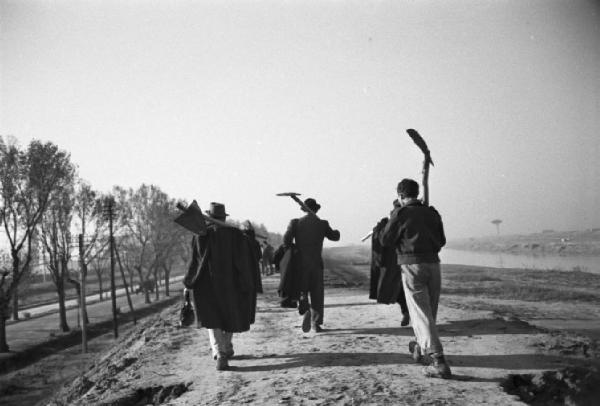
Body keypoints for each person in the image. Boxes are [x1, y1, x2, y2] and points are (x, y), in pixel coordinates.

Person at [378, 179, 450, 379]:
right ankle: (420, 347)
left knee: (420, 313)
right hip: (434, 265)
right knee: (428, 312)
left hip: (412, 266)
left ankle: (438, 361)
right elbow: (442, 240)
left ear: (400, 195)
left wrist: (393, 216)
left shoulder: (400, 214)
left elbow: (385, 240)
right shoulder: (432, 213)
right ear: (416, 193)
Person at [183, 202, 260, 371]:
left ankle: (220, 352)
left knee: (213, 319)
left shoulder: (200, 235)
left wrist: (188, 283)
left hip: (208, 284)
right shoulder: (237, 236)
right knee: (231, 315)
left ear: (209, 218)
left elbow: (195, 262)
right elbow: (246, 260)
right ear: (224, 217)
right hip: (232, 284)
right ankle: (225, 346)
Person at [283, 197, 340, 333]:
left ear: (303, 209)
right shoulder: (322, 224)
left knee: (302, 290)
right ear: (316, 209)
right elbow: (335, 237)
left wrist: (294, 251)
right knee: (317, 293)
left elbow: (286, 241)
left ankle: (305, 308)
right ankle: (316, 323)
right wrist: (337, 231)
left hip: (300, 264)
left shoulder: (295, 223)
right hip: (316, 264)